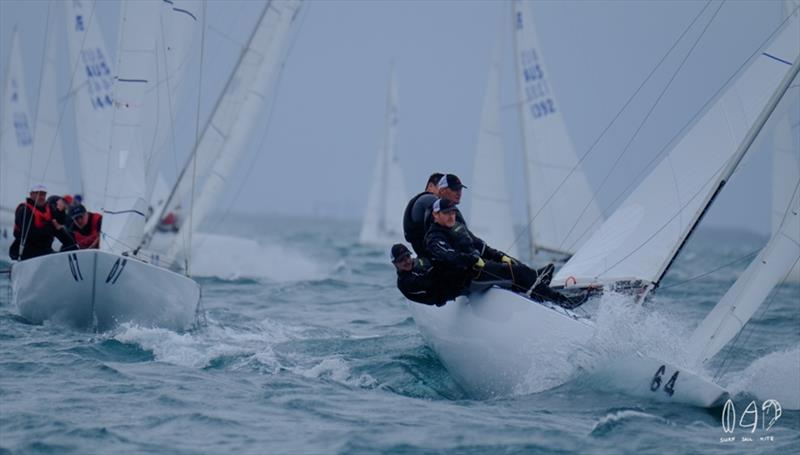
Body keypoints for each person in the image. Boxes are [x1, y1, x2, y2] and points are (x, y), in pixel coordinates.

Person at [425, 198, 585, 309]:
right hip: (464, 280)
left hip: (477, 270)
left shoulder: (458, 227)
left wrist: (502, 256)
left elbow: (483, 248)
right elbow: (450, 257)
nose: (451, 216)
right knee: (516, 272)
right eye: (446, 213)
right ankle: (561, 301)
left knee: (512, 264)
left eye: (452, 212)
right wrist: (473, 260)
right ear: (435, 215)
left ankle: (536, 282)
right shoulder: (434, 237)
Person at [9, 185, 77, 260]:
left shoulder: (49, 209)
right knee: (53, 226)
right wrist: (50, 227)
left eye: (43, 194)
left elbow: (60, 223)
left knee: (64, 236)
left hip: (45, 251)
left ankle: (74, 252)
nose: (41, 197)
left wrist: (61, 211)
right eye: (38, 194)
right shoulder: (24, 210)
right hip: (27, 253)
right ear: (31, 195)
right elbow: (28, 233)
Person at [391, 243, 460, 306]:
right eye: (401, 260)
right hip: (445, 292)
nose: (407, 261)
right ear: (395, 264)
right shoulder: (406, 282)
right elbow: (431, 282)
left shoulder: (416, 261)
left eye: (408, 256)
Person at [402, 172, 443, 256]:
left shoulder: (419, 201)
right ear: (431, 186)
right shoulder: (429, 199)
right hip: (430, 254)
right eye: (442, 188)